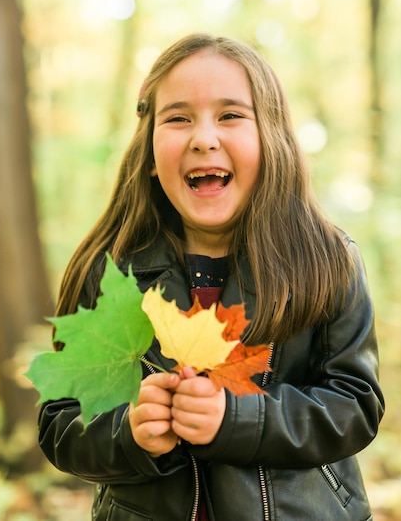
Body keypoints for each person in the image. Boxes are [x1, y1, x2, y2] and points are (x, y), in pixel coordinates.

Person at [38, 33, 384, 521]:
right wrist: (130, 432)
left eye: (231, 115)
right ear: (151, 155)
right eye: (178, 118)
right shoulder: (110, 269)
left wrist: (237, 418)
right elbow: (60, 424)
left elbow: (355, 405)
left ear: (272, 141)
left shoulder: (327, 261)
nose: (203, 137)